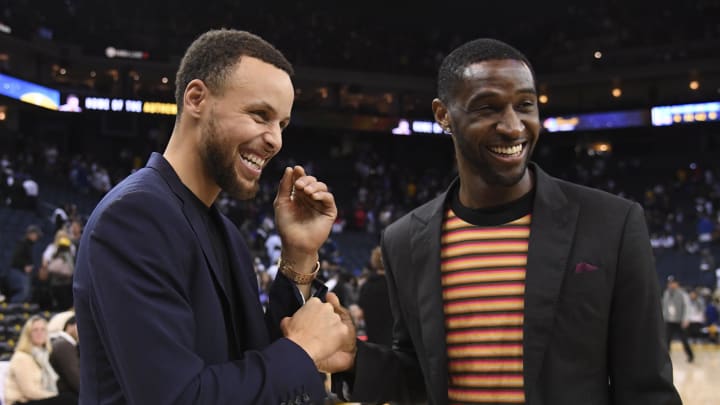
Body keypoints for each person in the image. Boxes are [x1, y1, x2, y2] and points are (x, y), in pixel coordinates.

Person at [330, 38, 681, 404]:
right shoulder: (403, 240)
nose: (514, 127)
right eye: (488, 108)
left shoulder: (613, 223)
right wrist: (357, 361)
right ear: (443, 114)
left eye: (525, 105)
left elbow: (647, 388)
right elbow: (419, 373)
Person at [73, 29, 352, 405]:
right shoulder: (134, 217)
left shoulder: (227, 233)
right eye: (260, 115)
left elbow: (251, 368)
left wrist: (299, 256)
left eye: (281, 125)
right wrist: (303, 351)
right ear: (196, 98)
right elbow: (177, 398)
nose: (275, 140)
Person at [4, 315, 76, 405]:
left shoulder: (43, 356)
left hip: (34, 400)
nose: (39, 333)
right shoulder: (22, 357)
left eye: (43, 330)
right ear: (28, 334)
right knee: (69, 399)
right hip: (20, 402)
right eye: (35, 330)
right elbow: (29, 391)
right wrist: (55, 396)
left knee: (69, 396)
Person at [662, 276, 694, 362]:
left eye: (673, 283)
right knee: (666, 340)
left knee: (684, 340)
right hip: (669, 321)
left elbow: (687, 307)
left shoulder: (683, 294)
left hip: (680, 321)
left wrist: (686, 319)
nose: (671, 285)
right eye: (669, 283)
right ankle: (665, 357)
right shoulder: (666, 293)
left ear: (677, 284)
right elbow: (664, 306)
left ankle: (690, 356)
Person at [49, 316, 79, 399]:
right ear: (69, 326)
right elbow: (74, 377)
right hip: (65, 395)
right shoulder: (64, 345)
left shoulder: (61, 343)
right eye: (78, 325)